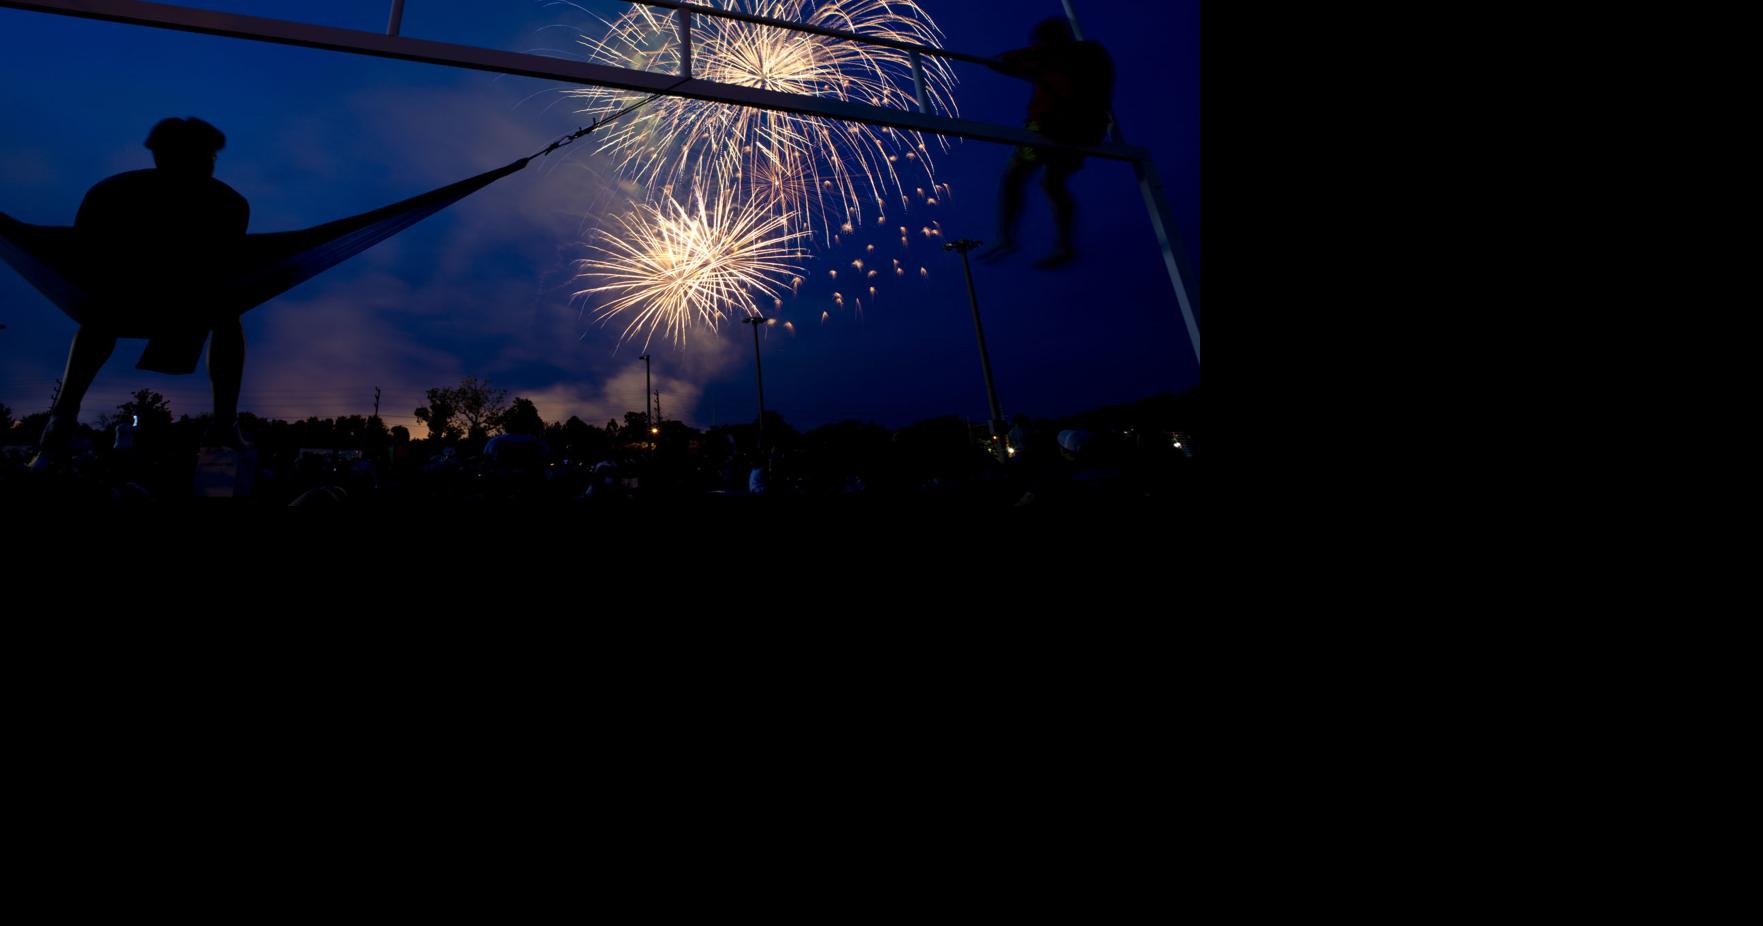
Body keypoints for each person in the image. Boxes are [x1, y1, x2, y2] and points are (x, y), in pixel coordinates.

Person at [31, 117, 250, 468]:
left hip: (161, 303)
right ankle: (64, 414)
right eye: (203, 155)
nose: (210, 162)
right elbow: (85, 258)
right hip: (143, 301)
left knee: (224, 316)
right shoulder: (224, 203)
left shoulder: (225, 204)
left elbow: (222, 266)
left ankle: (223, 421)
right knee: (101, 318)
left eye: (211, 155)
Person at [981, 18, 1115, 269]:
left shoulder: (1047, 52)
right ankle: (1064, 244)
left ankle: (1006, 236)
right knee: (1054, 183)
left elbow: (997, 61)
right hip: (1086, 132)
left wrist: (1030, 72)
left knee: (1015, 174)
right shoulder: (1095, 54)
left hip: (1045, 129)